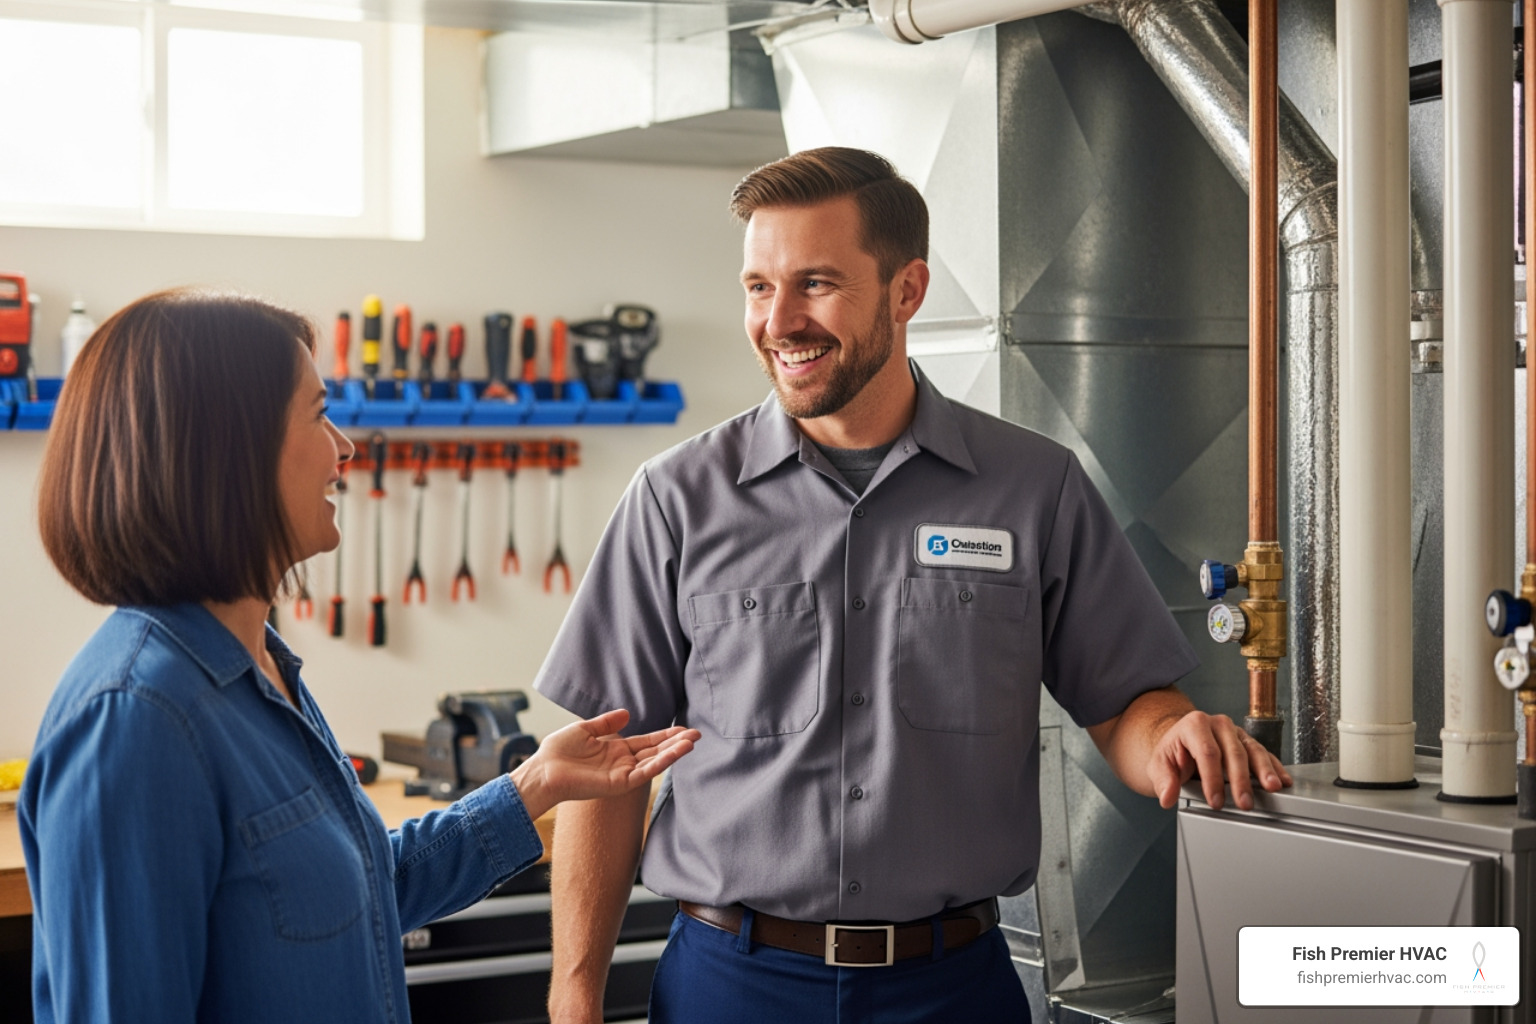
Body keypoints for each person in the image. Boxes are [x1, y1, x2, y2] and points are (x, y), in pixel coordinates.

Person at [532, 147, 1292, 1024]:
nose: (779, 321)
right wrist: (574, 996)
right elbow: (608, 762)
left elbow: (1125, 705)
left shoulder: (1034, 490)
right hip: (731, 985)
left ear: (907, 291)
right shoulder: (675, 500)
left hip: (951, 990)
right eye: (758, 287)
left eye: (816, 284)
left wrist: (1171, 735)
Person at [19, 288, 700, 1024]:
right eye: (318, 415)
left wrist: (535, 783)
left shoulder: (261, 671)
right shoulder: (135, 722)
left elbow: (363, 891)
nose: (345, 447)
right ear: (228, 453)